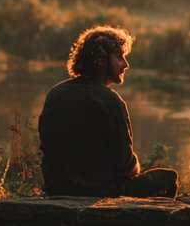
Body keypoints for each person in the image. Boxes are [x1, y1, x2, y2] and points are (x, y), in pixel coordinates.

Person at [38, 25, 178, 198]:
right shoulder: (110, 101)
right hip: (99, 192)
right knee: (169, 177)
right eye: (120, 58)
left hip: (56, 188)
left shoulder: (55, 93)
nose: (126, 64)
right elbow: (126, 168)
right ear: (101, 60)